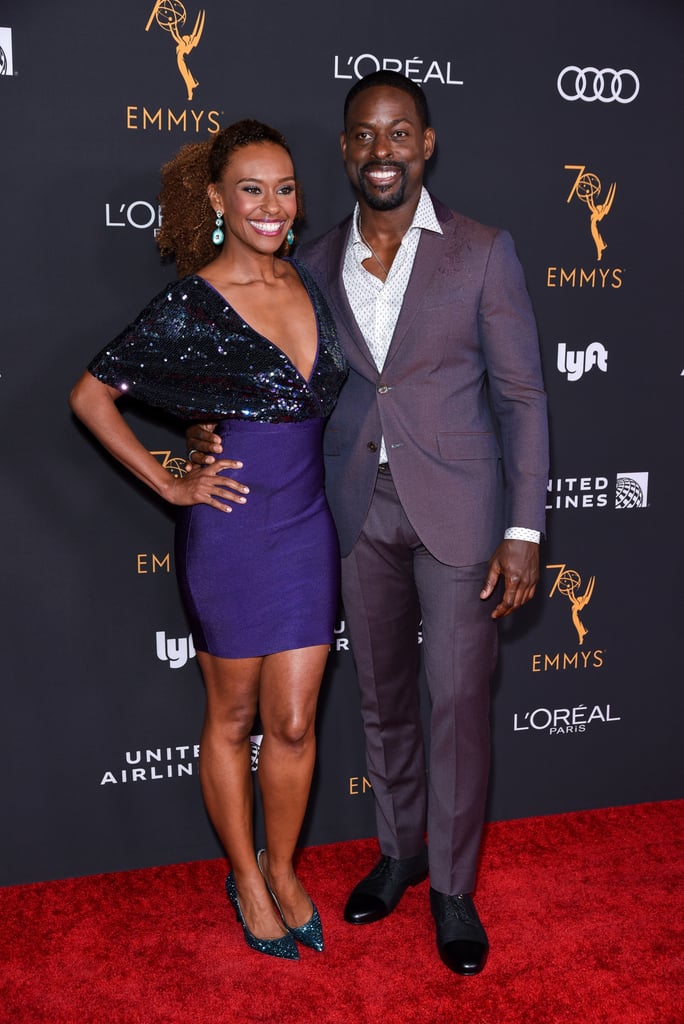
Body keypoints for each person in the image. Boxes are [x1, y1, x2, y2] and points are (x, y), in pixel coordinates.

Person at [187, 72, 549, 975]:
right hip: (346, 508)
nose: (381, 149)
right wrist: (204, 425)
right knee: (383, 700)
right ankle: (400, 852)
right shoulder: (307, 261)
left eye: (399, 133)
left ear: (425, 145)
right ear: (345, 149)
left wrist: (526, 530)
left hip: (460, 512)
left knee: (458, 703)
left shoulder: (481, 251)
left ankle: (453, 888)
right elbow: (270, 376)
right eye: (363, 135)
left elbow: (523, 399)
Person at [69, 120, 348, 961]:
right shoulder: (193, 301)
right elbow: (92, 397)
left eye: (285, 187)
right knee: (231, 717)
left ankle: (284, 865)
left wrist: (198, 420)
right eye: (252, 189)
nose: (271, 204)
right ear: (219, 200)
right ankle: (245, 876)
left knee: (294, 722)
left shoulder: (309, 282)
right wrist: (172, 481)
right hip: (230, 534)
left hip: (305, 530)